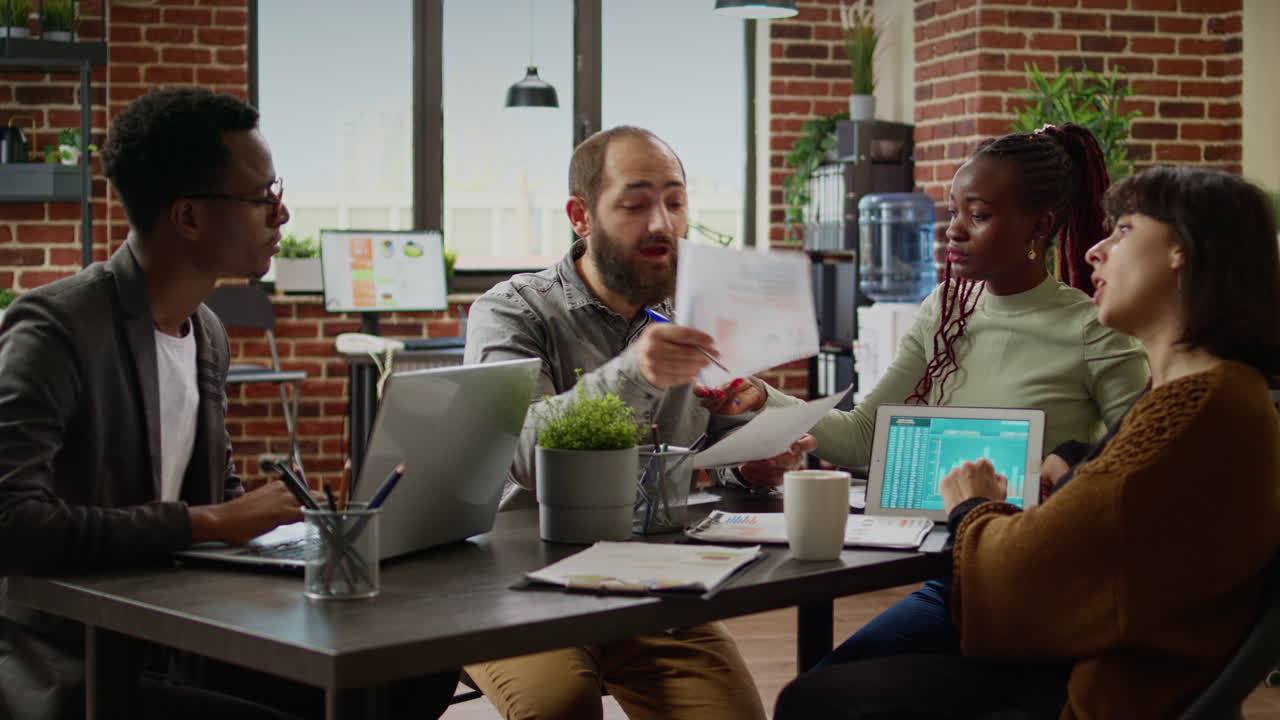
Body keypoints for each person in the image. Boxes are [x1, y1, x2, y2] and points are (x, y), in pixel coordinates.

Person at [0, 88, 456, 720]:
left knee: (413, 672)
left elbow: (219, 494)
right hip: (78, 662)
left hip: (181, 635)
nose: (284, 215)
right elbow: (10, 525)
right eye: (263, 198)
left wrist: (304, 520)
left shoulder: (205, 331)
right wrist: (212, 521)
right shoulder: (55, 329)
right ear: (187, 216)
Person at [775, 166, 1280, 719]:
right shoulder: (1219, 393)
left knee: (813, 700)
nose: (1095, 251)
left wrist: (973, 503)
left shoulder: (1192, 409)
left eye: (1125, 231)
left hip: (1092, 691)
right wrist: (1076, 462)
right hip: (1093, 660)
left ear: (1182, 248)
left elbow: (1022, 581)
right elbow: (1124, 493)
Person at [708, 124, 1151, 666]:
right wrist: (759, 396)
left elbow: (1135, 462)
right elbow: (865, 435)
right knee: (820, 690)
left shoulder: (1093, 327)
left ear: (1039, 226)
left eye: (979, 215)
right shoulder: (944, 310)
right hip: (958, 577)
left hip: (1048, 589)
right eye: (954, 213)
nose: (954, 232)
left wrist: (1059, 471)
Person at [464, 125, 769, 720]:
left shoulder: (694, 312)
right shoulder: (512, 311)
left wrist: (752, 449)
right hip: (521, 582)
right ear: (581, 216)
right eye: (634, 204)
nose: (662, 223)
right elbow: (519, 453)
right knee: (561, 706)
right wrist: (638, 371)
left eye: (675, 202)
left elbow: (712, 448)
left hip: (654, 576)